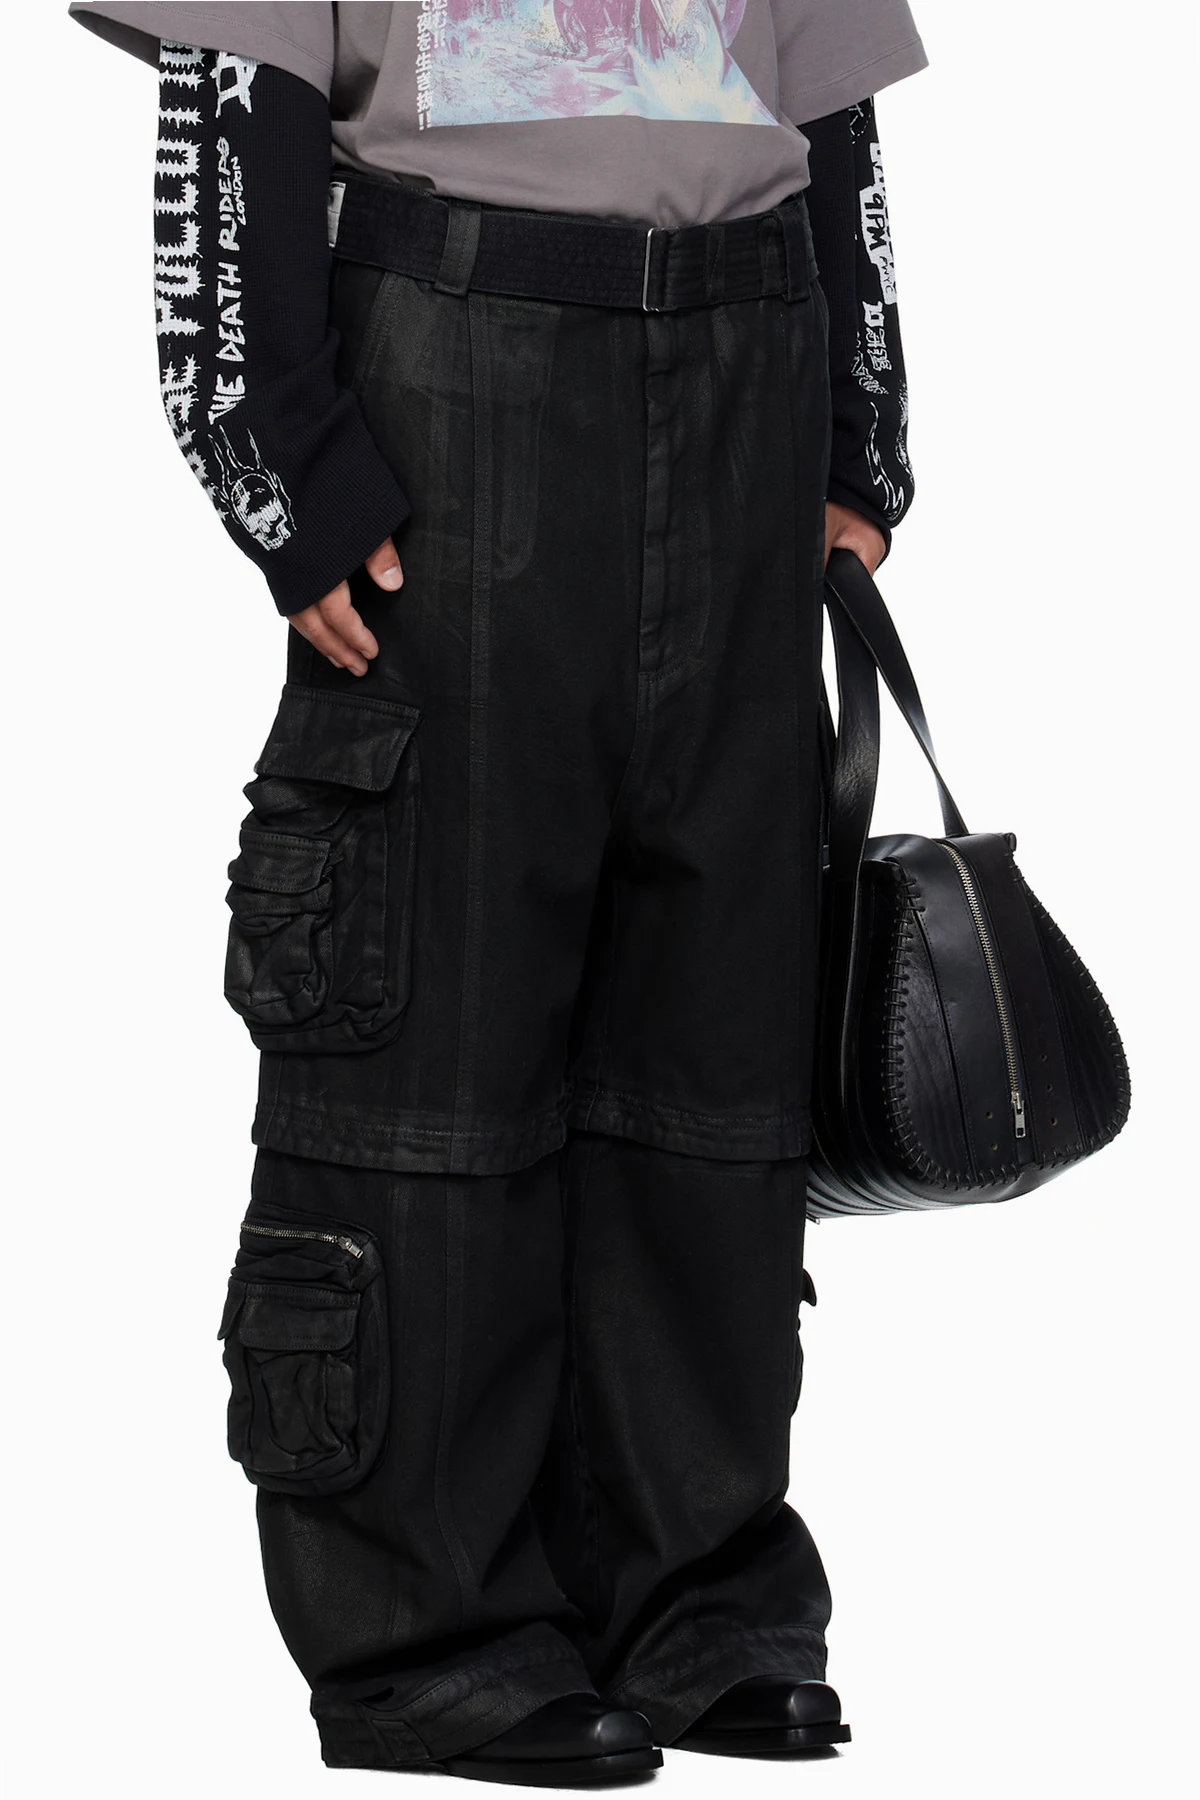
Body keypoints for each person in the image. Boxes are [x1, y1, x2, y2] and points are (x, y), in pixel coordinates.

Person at [69, 0, 926, 1785]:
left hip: (748, 360)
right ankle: (431, 1631)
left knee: (713, 1037)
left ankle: (696, 1598)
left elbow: (831, 112)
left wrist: (861, 430)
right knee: (428, 1026)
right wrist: (279, 464)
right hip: (459, 375)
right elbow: (228, 109)